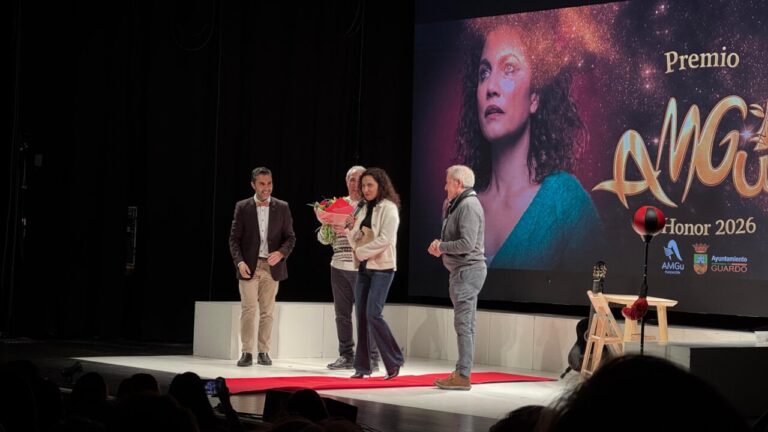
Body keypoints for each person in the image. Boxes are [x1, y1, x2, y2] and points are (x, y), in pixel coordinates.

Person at [456, 20, 604, 270]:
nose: (491, 87)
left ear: (535, 98)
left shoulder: (566, 204)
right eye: (484, 73)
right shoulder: (458, 204)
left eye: (509, 68)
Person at [229, 167, 296, 367]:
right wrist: (239, 262)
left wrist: (281, 253)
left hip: (271, 267)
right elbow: (234, 239)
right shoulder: (243, 206)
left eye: (269, 183)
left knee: (267, 311)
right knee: (249, 309)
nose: (266, 188)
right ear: (253, 185)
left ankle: (264, 351)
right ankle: (247, 352)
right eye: (262, 184)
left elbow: (291, 237)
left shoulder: (282, 207)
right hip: (249, 266)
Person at [428, 165, 487, 391]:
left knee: (464, 325)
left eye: (447, 182)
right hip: (463, 271)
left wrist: (441, 246)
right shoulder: (459, 204)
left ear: (458, 183)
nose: (445, 186)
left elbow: (467, 244)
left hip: (467, 271)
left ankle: (463, 376)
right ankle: (461, 371)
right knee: (465, 324)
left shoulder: (469, 205)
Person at [316, 165, 380, 371]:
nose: (355, 183)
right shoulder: (338, 205)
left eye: (359, 179)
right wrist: (327, 229)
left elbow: (374, 236)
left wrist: (349, 232)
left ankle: (371, 357)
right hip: (338, 265)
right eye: (352, 179)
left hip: (361, 266)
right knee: (341, 314)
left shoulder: (371, 207)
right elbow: (323, 239)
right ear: (347, 182)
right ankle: (346, 355)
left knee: (365, 314)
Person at [343, 167, 404, 380]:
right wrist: (349, 229)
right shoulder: (361, 208)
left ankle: (394, 359)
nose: (366, 189)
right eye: (364, 186)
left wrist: (360, 252)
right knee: (360, 315)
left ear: (380, 185)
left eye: (370, 185)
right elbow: (356, 239)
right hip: (364, 268)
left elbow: (385, 239)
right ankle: (363, 366)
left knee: (373, 313)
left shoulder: (389, 208)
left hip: (382, 268)